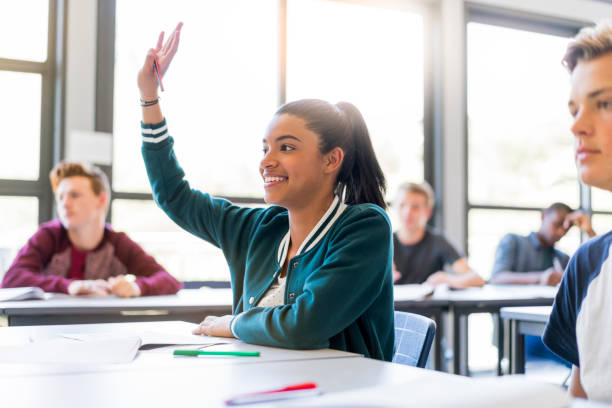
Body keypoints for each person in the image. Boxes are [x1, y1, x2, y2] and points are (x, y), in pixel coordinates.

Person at [136, 23, 394, 361]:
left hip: (341, 394)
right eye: (265, 149)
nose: (266, 162)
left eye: (286, 148)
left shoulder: (364, 228)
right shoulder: (259, 229)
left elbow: (305, 325)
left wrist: (235, 324)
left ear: (331, 159)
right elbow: (173, 195)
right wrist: (148, 98)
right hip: (262, 387)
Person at [543, 21, 612, 402]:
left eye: (604, 103)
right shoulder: (588, 263)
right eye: (574, 109)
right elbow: (580, 398)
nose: (578, 126)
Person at [1, 161, 182, 297]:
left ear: (101, 200)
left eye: (74, 195)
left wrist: (136, 287)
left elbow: (169, 281)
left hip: (102, 331)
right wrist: (68, 286)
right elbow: (12, 279)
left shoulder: (117, 243)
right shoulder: (48, 236)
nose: (65, 203)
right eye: (61, 197)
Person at [392, 182, 484, 289]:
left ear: (428, 212)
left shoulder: (438, 241)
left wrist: (448, 279)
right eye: (402, 205)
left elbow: (476, 279)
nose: (407, 212)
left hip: (429, 305)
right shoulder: (385, 242)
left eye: (415, 207)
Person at [490, 202, 595, 286]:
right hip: (509, 311)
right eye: (557, 225)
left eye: (566, 229)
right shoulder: (513, 242)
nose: (561, 232)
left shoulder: (562, 259)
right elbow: (497, 277)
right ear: (544, 216)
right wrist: (541, 277)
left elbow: (593, 276)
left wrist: (589, 231)